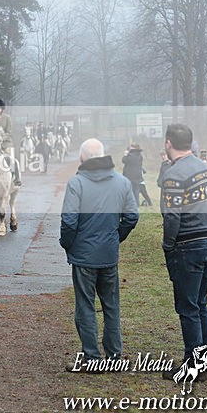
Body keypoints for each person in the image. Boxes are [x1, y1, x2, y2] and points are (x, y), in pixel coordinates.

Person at [60, 138, 138, 366]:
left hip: (84, 256)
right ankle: (114, 355)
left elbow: (69, 221)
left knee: (85, 306)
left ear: (82, 158)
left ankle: (91, 357)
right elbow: (132, 216)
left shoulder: (77, 183)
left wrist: (68, 244)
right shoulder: (122, 182)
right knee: (111, 306)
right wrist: (115, 237)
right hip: (108, 254)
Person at [159, 124, 207, 379]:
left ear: (168, 143)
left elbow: (172, 216)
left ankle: (193, 365)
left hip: (188, 244)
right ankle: (206, 361)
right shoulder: (205, 168)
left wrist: (168, 244)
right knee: (201, 303)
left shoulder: (174, 175)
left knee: (187, 307)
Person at [0, 99, 22, 187]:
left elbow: (9, 132)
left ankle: (17, 178)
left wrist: (1, 139)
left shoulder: (7, 118)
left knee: (13, 160)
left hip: (6, 144)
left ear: (2, 109)